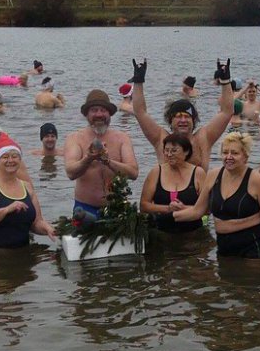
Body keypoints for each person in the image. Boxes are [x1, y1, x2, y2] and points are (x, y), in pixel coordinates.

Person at [173, 132, 260, 258]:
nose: (228, 157)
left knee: (255, 277)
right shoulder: (213, 175)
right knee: (225, 277)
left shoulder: (255, 179)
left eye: (234, 153)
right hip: (224, 244)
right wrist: (169, 214)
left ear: (245, 156)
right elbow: (197, 211)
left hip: (253, 243)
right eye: (225, 152)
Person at [131, 58, 234, 170]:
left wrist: (225, 81)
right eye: (179, 117)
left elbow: (226, 112)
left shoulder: (203, 138)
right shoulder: (161, 138)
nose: (183, 120)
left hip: (198, 187)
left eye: (187, 117)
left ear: (193, 121)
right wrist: (138, 81)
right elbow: (140, 112)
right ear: (170, 120)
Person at [64, 89, 139, 217]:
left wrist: (108, 161)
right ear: (86, 114)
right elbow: (70, 172)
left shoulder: (122, 138)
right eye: (94, 110)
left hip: (116, 207)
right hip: (85, 208)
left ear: (109, 114)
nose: (99, 114)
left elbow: (133, 173)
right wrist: (88, 158)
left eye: (103, 110)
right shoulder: (75, 138)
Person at [0, 136, 56, 248]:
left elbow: (36, 223)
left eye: (15, 156)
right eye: (5, 157)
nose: (10, 161)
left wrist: (48, 229)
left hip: (21, 251)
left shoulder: (27, 187)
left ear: (20, 160)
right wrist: (6, 210)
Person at [140, 134, 206, 233]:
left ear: (186, 151)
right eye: (166, 150)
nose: (169, 154)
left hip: (193, 231)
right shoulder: (156, 172)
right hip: (160, 230)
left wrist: (185, 209)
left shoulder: (198, 173)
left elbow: (208, 209)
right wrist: (167, 209)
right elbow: (143, 206)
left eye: (174, 151)